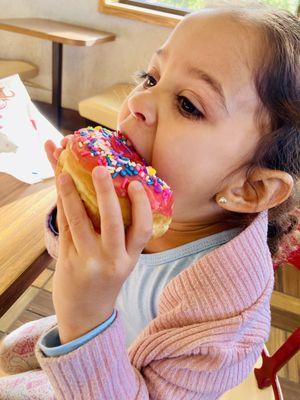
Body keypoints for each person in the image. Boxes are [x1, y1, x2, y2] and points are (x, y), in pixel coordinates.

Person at [0, 2, 299, 399]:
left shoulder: (225, 320)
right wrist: (77, 210)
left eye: (188, 105)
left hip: (118, 375)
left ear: (250, 189)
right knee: (10, 349)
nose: (138, 103)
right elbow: (64, 250)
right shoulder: (150, 205)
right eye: (151, 77)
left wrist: (86, 318)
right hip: (101, 322)